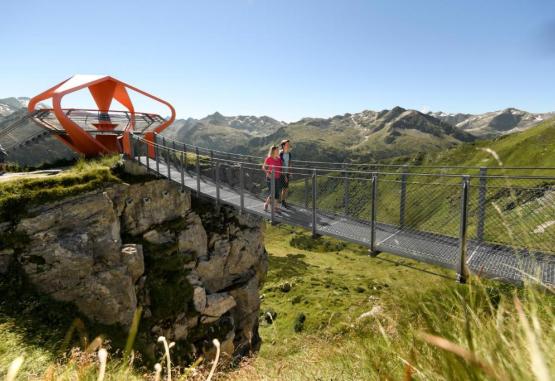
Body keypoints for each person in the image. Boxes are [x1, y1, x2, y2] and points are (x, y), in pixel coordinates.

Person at [262, 145, 282, 212]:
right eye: (276, 150)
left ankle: (275, 207)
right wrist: (268, 172)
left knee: (277, 193)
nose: (278, 151)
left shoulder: (279, 159)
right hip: (270, 178)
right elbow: (263, 167)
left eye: (278, 150)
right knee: (272, 192)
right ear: (273, 151)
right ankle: (267, 204)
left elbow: (280, 168)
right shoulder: (269, 158)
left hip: (277, 178)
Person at [279, 139, 292, 207]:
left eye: (289, 144)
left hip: (286, 173)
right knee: (282, 188)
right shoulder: (281, 153)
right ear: (283, 145)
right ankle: (280, 202)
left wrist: (290, 172)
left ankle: (283, 201)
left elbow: (289, 163)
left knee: (286, 188)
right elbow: (281, 164)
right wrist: (285, 176)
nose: (289, 145)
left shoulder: (289, 154)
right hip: (281, 173)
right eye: (287, 144)